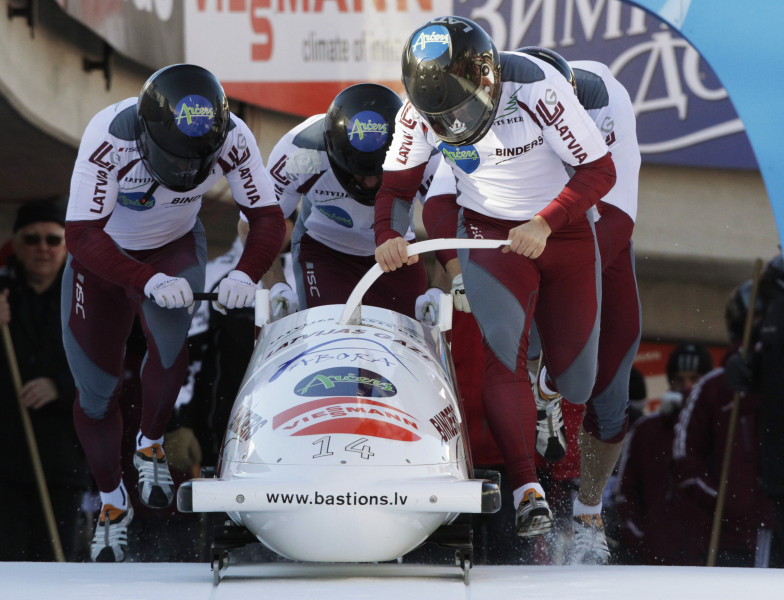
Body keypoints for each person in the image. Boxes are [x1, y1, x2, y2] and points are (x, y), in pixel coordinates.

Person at [374, 16, 616, 545]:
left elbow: (600, 171)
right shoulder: (417, 111)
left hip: (563, 233)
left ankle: (548, 391)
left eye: (461, 108)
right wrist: (387, 235)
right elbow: (397, 189)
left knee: (579, 380)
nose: (455, 122)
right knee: (502, 351)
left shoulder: (536, 86)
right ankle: (526, 488)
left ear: (487, 81)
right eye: (443, 114)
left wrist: (546, 221)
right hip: (489, 237)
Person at [61, 63, 285, 562]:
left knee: (169, 344)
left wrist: (246, 273)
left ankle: (151, 442)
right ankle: (112, 502)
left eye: (196, 163)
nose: (184, 172)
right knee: (96, 394)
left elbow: (267, 217)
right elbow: (80, 235)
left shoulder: (234, 135)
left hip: (174, 245)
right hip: (102, 260)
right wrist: (143, 280)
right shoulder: (108, 136)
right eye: (173, 159)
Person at [259, 83, 444, 318]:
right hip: (324, 253)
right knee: (328, 339)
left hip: (397, 256)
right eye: (359, 173)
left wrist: (440, 289)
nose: (368, 184)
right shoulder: (299, 151)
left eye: (380, 173)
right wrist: (275, 283)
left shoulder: (423, 151)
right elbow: (257, 223)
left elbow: (453, 226)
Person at [0, 198, 92, 561]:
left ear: (66, 245)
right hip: (4, 463)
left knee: (56, 564)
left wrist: (61, 388)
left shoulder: (87, 301)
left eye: (53, 240)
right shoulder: (2, 294)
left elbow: (109, 374)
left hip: (61, 463)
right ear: (17, 245)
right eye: (32, 239)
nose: (43, 248)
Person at [671, 278, 776, 566]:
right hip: (727, 539)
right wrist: (723, 500)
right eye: (755, 321)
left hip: (777, 530)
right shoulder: (713, 389)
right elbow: (685, 460)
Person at [613, 342, 713, 565]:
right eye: (679, 379)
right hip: (652, 560)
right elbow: (625, 494)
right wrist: (641, 538)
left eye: (695, 379)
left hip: (707, 560)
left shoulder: (718, 431)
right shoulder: (646, 431)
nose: (686, 387)